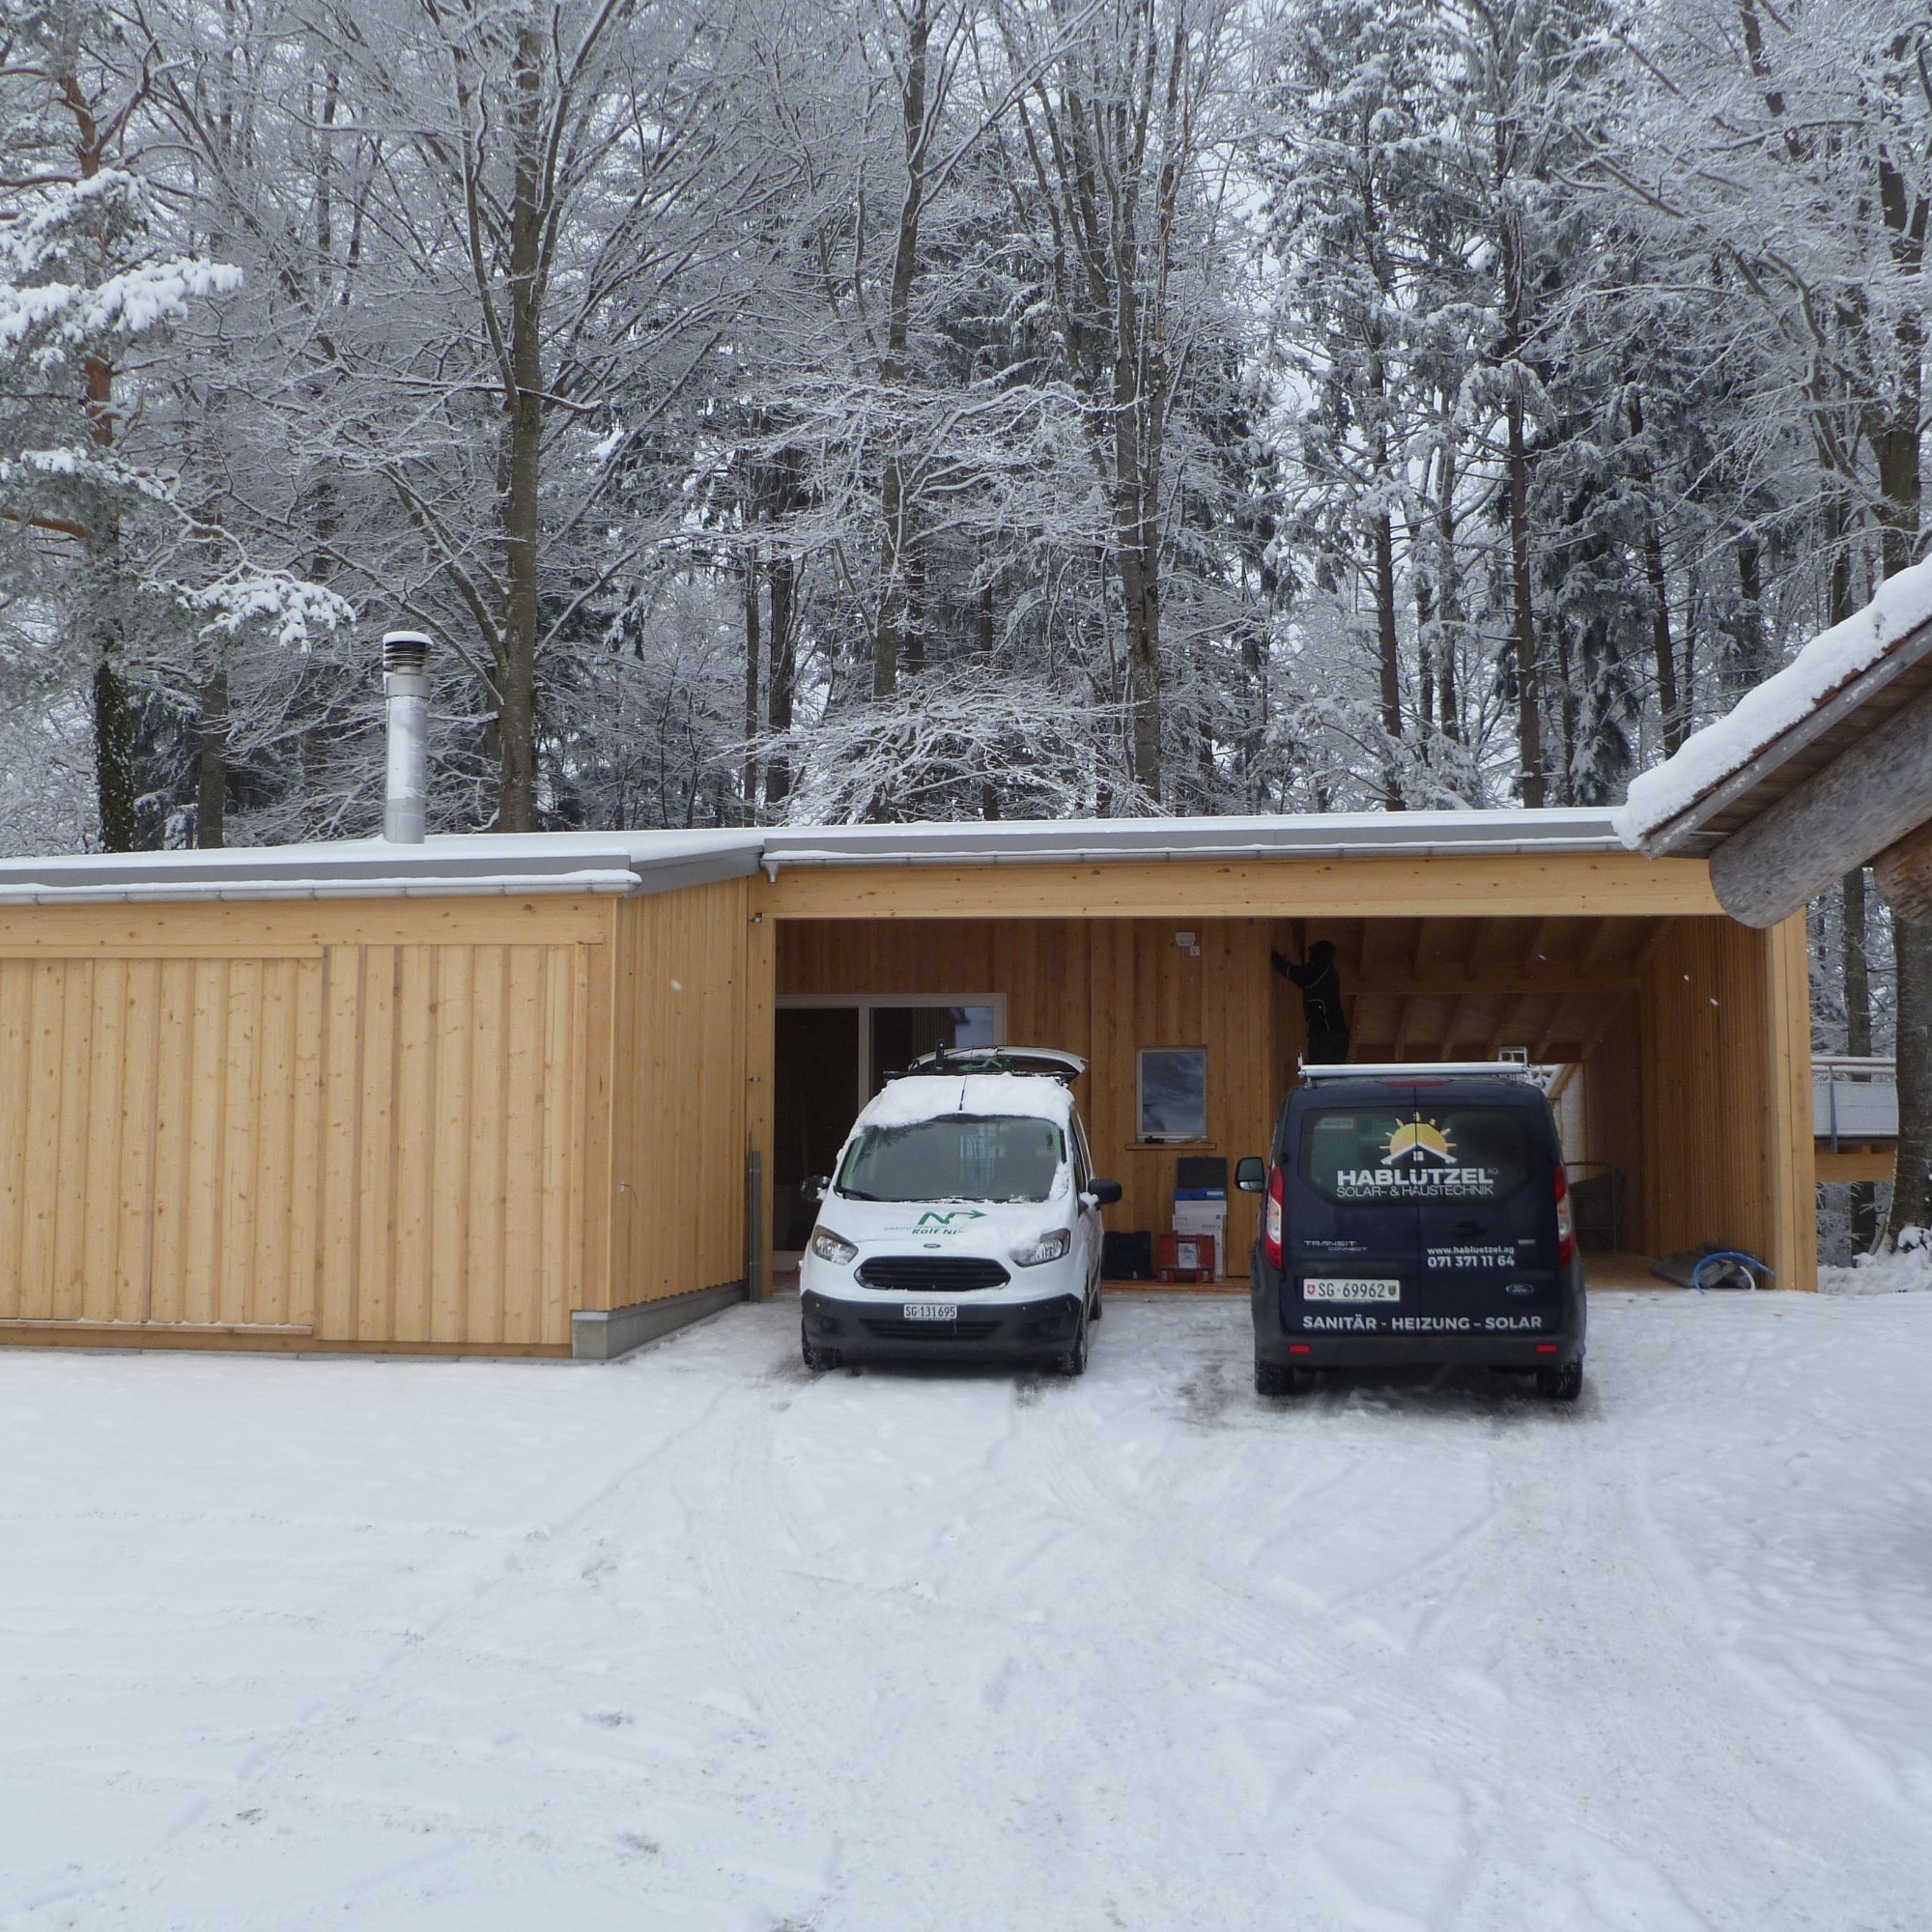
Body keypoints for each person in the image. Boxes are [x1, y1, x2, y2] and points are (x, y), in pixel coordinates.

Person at [1272, 938, 1350, 1065]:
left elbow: (1294, 973)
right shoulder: (1328, 972)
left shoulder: (1319, 971)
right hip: (1335, 1035)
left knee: (1321, 1076)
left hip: (1326, 1037)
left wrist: (1274, 957)